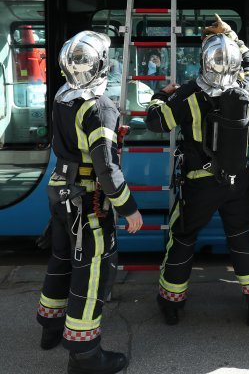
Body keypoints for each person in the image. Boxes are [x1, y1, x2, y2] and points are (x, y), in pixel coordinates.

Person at [146, 15, 249, 327]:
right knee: (241, 238)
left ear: (203, 61)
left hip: (199, 185)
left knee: (183, 238)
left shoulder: (187, 94)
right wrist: (234, 38)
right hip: (238, 182)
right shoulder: (246, 90)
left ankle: (171, 304)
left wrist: (160, 96)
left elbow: (155, 122)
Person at [37, 31, 143, 374]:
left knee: (61, 259)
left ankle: (50, 327)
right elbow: (107, 169)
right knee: (91, 272)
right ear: (103, 66)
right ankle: (85, 356)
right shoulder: (100, 108)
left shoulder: (61, 97)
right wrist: (129, 209)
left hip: (59, 193)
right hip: (87, 202)